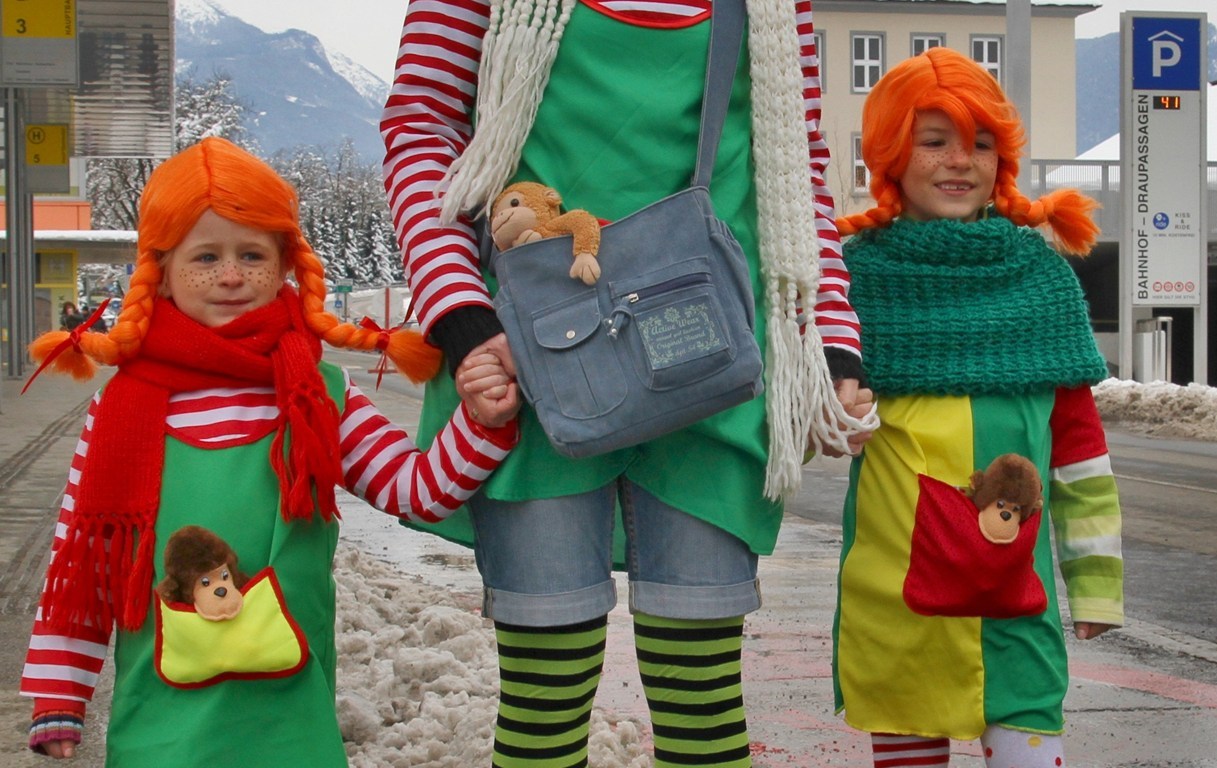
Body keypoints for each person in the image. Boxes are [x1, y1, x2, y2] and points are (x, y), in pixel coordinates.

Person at [382, 0, 875, 764]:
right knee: (542, 699)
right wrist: (462, 317)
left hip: (710, 364)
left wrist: (831, 345)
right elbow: (422, 131)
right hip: (526, 363)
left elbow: (795, 164)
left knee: (702, 701)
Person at [18, 137, 521, 766]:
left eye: (251, 254)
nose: (231, 274)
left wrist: (480, 422)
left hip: (291, 716)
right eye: (206, 256)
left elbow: (417, 490)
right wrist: (58, 693)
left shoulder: (320, 395)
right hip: (162, 723)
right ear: (162, 273)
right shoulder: (122, 409)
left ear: (284, 264)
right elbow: (85, 562)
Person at [831, 47, 1124, 768]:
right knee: (906, 736)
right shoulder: (852, 282)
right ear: (892, 155)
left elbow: (1079, 451)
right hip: (894, 592)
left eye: (981, 144)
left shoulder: (1041, 280)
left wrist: (1095, 584)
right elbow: (810, 423)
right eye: (933, 141)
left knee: (1028, 738)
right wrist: (833, 419)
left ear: (1004, 161)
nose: (959, 161)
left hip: (1013, 596)